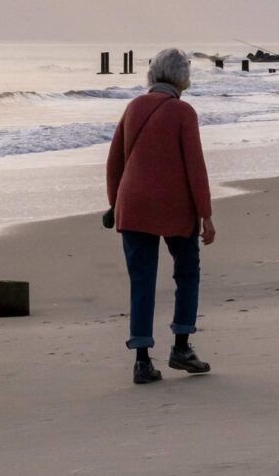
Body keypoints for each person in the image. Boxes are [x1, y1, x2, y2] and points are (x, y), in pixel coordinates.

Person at [106, 47, 215, 385]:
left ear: (153, 75)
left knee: (141, 281)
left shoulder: (134, 107)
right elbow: (195, 167)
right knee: (186, 273)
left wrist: (115, 204)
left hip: (133, 205)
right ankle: (181, 347)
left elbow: (114, 163)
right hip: (175, 207)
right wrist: (206, 215)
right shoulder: (183, 112)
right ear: (183, 77)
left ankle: (141, 361)